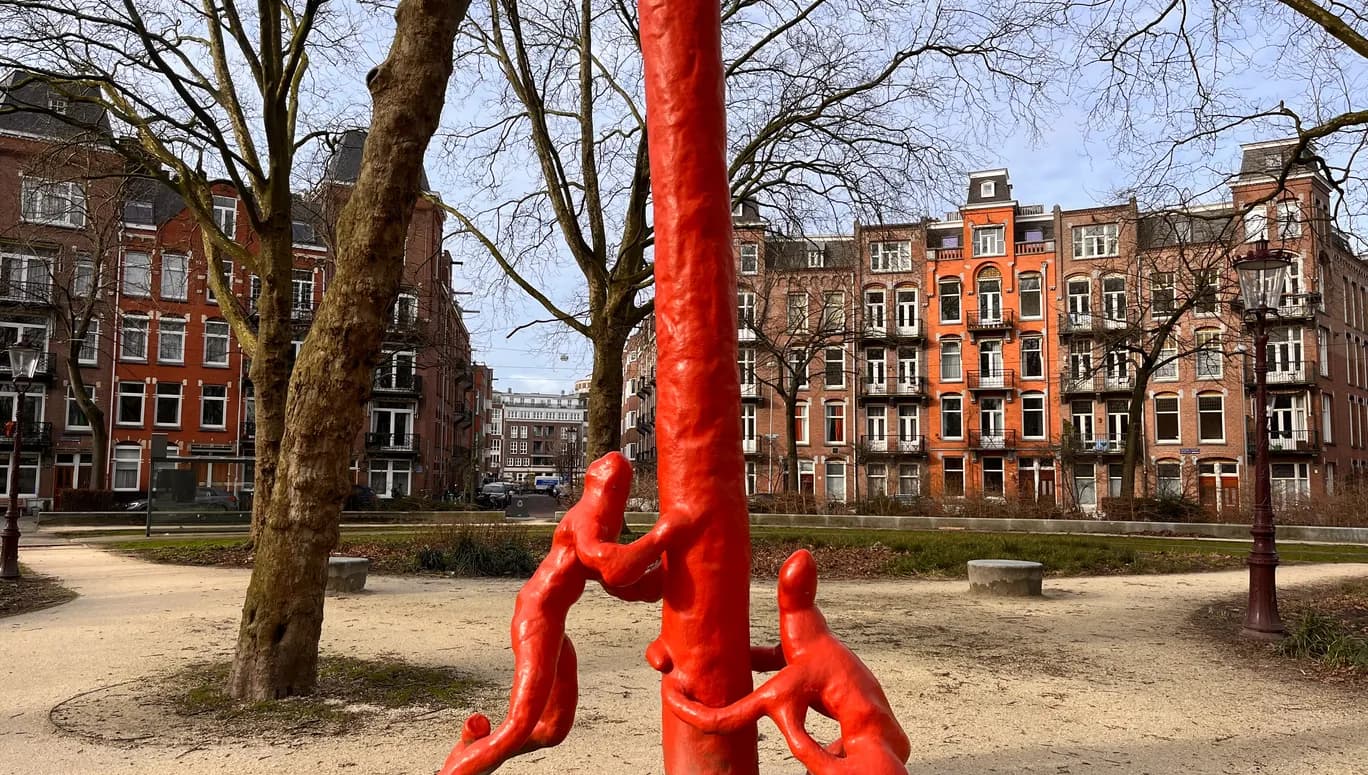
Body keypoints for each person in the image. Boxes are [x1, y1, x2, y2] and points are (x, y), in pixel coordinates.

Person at [439, 452, 672, 775]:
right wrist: (667, 532)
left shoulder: (599, 526)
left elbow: (630, 588)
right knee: (519, 723)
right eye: (616, 489)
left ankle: (471, 751)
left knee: (551, 728)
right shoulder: (587, 518)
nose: (617, 496)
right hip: (537, 620)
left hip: (553, 627)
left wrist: (671, 566)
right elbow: (613, 567)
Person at [653, 549, 910, 775]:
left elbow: (716, 720)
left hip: (871, 740)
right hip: (881, 739)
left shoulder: (809, 661)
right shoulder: (816, 659)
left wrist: (673, 695)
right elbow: (717, 719)